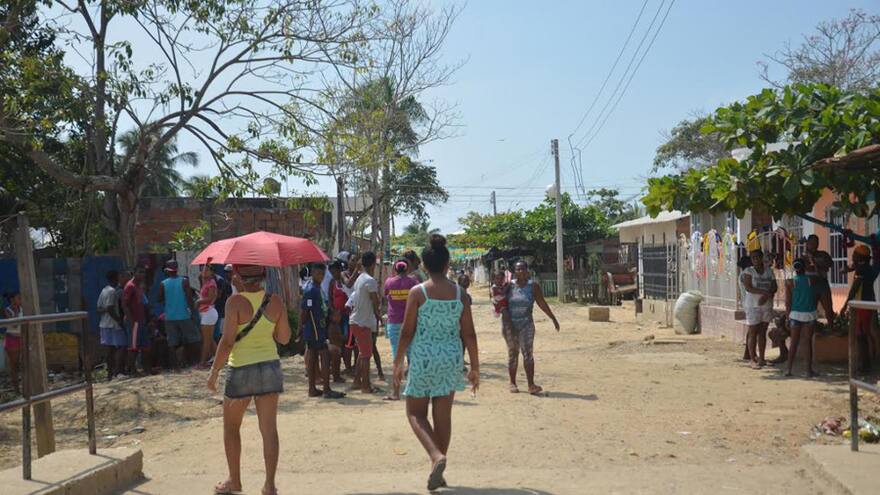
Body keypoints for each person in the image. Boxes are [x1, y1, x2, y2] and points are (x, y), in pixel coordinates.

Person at [393, 235, 479, 491]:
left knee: (414, 413)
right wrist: (475, 368)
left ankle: (436, 457)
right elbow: (469, 333)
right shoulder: (460, 294)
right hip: (451, 358)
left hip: (423, 358)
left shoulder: (417, 292)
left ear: (423, 265)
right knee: (443, 417)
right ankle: (437, 471)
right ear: (447, 263)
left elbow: (407, 332)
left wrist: (397, 362)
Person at [208, 264, 292, 495]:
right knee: (269, 430)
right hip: (269, 367)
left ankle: (234, 481)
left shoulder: (234, 303)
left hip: (241, 369)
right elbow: (284, 338)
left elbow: (226, 342)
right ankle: (269, 485)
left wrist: (214, 372)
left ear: (237, 277)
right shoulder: (275, 301)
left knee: (231, 427)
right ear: (264, 276)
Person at [504, 261, 560, 395]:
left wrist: (553, 318)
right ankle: (512, 383)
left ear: (527, 271)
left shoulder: (533, 286)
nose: (521, 271)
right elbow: (501, 302)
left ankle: (531, 384)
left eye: (523, 269)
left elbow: (541, 302)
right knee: (513, 354)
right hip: (511, 326)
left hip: (527, 325)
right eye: (518, 269)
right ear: (514, 271)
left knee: (528, 354)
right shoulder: (509, 286)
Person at [300, 263, 345, 399]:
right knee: (324, 355)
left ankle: (312, 389)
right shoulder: (311, 290)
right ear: (313, 273)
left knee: (313, 357)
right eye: (318, 274)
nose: (320, 276)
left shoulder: (318, 288)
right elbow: (305, 311)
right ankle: (326, 389)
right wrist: (301, 328)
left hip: (319, 327)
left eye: (322, 274)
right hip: (314, 329)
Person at [843, 238, 880, 374]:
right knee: (866, 334)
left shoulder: (862, 271)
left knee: (861, 336)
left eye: (855, 255)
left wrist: (844, 305)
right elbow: (853, 267)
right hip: (868, 303)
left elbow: (854, 289)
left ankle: (865, 365)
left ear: (860, 258)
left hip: (862, 305)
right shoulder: (868, 269)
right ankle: (866, 363)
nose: (852, 257)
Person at [384, 259, 419, 400]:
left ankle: (396, 392)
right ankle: (414, 390)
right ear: (407, 269)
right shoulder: (413, 282)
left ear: (395, 269)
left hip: (394, 322)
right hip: (410, 321)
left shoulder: (389, 282)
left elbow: (386, 295)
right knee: (412, 357)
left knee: (397, 358)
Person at [349, 251, 381, 393]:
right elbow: (375, 302)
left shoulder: (360, 278)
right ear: (374, 264)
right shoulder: (370, 280)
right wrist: (378, 316)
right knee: (366, 355)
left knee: (362, 353)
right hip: (363, 322)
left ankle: (357, 381)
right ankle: (366, 385)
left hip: (357, 320)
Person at [159, 260, 200, 370]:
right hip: (184, 315)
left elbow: (160, 299)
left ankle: (175, 367)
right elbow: (189, 298)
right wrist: (191, 311)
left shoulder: (163, 283)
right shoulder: (184, 281)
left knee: (172, 342)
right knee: (193, 339)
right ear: (177, 269)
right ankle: (194, 362)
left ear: (167, 271)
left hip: (170, 317)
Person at [742, 249, 777, 369]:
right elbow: (748, 287)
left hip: (766, 305)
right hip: (753, 305)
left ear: (762, 258)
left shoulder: (769, 271)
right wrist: (764, 293)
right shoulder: (749, 271)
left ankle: (762, 358)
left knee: (763, 332)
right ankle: (752, 359)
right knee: (753, 331)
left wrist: (767, 295)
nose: (756, 259)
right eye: (753, 258)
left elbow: (774, 286)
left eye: (757, 257)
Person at [783, 258, 818, 377]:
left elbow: (788, 302)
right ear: (804, 268)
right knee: (807, 342)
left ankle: (788, 369)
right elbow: (817, 272)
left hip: (795, 315)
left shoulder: (790, 282)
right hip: (809, 314)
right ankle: (808, 370)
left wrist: (787, 318)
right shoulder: (811, 280)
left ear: (794, 268)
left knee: (794, 342)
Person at [97, 272, 127, 380]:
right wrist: (119, 320)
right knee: (122, 346)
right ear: (117, 278)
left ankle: (110, 374)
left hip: (104, 324)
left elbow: (99, 309)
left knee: (110, 349)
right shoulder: (112, 291)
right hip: (113, 324)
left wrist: (107, 310)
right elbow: (110, 308)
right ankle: (117, 372)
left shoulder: (104, 290)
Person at [122, 267, 151, 375]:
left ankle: (146, 369)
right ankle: (133, 371)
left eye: (143, 272)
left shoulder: (138, 287)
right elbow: (125, 305)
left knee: (145, 346)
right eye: (140, 272)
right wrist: (131, 320)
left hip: (141, 320)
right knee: (133, 347)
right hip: (134, 321)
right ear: (134, 273)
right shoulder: (130, 286)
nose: (142, 275)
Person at [803, 234, 835, 323]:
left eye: (816, 242)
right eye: (812, 242)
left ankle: (831, 327)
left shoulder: (823, 254)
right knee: (810, 309)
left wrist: (816, 262)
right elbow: (802, 268)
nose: (814, 245)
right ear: (807, 243)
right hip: (810, 285)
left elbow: (830, 264)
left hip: (822, 284)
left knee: (828, 307)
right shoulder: (803, 256)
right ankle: (812, 328)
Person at [328, 261, 352, 376]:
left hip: (347, 315)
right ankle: (336, 366)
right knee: (337, 341)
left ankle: (348, 366)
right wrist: (333, 311)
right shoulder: (332, 282)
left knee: (347, 340)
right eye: (331, 272)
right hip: (337, 317)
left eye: (335, 272)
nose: (333, 274)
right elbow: (329, 298)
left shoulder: (345, 282)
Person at [197, 265, 219, 368]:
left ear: (212, 273)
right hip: (206, 312)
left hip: (208, 312)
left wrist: (198, 301)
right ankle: (218, 358)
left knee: (206, 340)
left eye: (206, 270)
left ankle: (202, 362)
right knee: (209, 339)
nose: (204, 272)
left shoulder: (211, 284)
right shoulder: (206, 283)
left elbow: (210, 299)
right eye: (203, 270)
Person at [3, 292, 23, 393]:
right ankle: (16, 389)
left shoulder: (22, 309)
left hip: (22, 339)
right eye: (18, 298)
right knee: (14, 365)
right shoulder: (7, 310)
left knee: (23, 363)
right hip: (12, 339)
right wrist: (15, 311)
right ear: (12, 300)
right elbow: (14, 325)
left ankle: (25, 386)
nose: (20, 300)